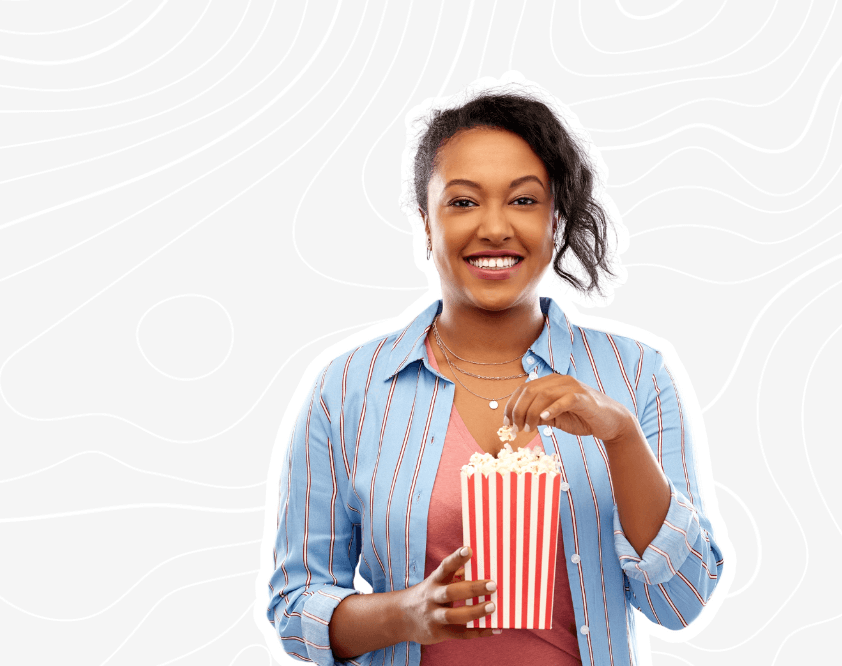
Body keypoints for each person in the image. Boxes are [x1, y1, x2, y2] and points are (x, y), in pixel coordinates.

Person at [266, 86, 724, 666]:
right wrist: (406, 614)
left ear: (556, 221)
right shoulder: (349, 388)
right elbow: (295, 607)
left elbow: (681, 601)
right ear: (426, 223)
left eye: (524, 201)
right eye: (462, 202)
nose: (494, 228)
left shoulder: (635, 375)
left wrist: (621, 438)